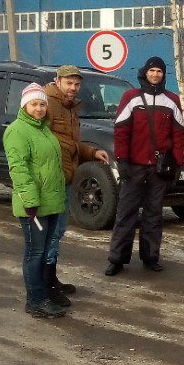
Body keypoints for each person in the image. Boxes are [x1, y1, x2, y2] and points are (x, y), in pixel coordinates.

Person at [106, 56, 184, 276]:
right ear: (145, 72)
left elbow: (178, 135)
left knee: (153, 215)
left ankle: (150, 257)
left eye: (159, 71)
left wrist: (177, 164)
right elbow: (121, 131)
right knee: (126, 214)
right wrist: (121, 160)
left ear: (163, 75)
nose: (155, 75)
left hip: (159, 169)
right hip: (134, 167)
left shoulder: (172, 100)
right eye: (152, 71)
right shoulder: (130, 97)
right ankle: (117, 259)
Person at [43, 64, 111, 307]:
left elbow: (69, 143)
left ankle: (51, 279)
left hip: (66, 177)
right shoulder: (47, 104)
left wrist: (92, 152)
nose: (73, 88)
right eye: (69, 83)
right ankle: (46, 286)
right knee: (50, 233)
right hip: (51, 179)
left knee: (58, 231)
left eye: (76, 84)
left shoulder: (69, 107)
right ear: (57, 81)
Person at [3, 83, 68, 319]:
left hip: (51, 202)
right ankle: (36, 301)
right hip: (34, 206)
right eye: (34, 104)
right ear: (24, 106)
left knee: (43, 252)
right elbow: (18, 169)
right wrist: (30, 201)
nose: (39, 108)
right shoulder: (17, 131)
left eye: (42, 104)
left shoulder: (43, 129)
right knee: (35, 253)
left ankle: (42, 296)